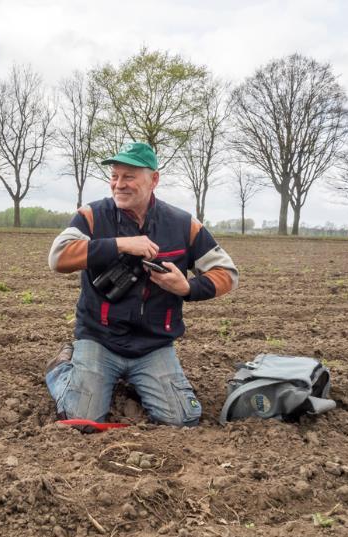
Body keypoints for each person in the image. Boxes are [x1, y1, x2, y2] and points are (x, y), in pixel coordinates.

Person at [46, 142, 238, 427]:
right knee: (82, 419)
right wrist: (120, 245)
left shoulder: (182, 224)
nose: (118, 184)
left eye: (129, 176)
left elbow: (227, 272)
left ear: (154, 179)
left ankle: (138, 380)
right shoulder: (92, 215)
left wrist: (187, 288)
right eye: (114, 176)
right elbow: (58, 257)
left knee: (183, 419)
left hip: (152, 345)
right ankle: (62, 368)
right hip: (100, 339)